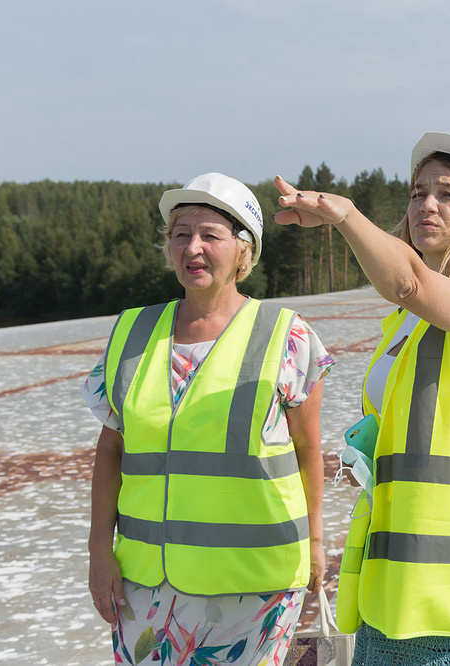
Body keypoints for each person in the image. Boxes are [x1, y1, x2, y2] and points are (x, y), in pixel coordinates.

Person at [274, 133, 450, 665]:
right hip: (393, 593)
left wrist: (343, 214)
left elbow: (409, 282)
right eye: (418, 193)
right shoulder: (406, 326)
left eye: (447, 194)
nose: (426, 206)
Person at [82, 173, 334, 665]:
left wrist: (318, 542)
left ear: (244, 250)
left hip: (255, 586)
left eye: (210, 236)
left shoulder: (286, 336)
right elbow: (112, 448)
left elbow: (308, 450)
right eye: (180, 234)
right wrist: (99, 551)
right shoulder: (132, 332)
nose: (192, 248)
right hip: (146, 585)